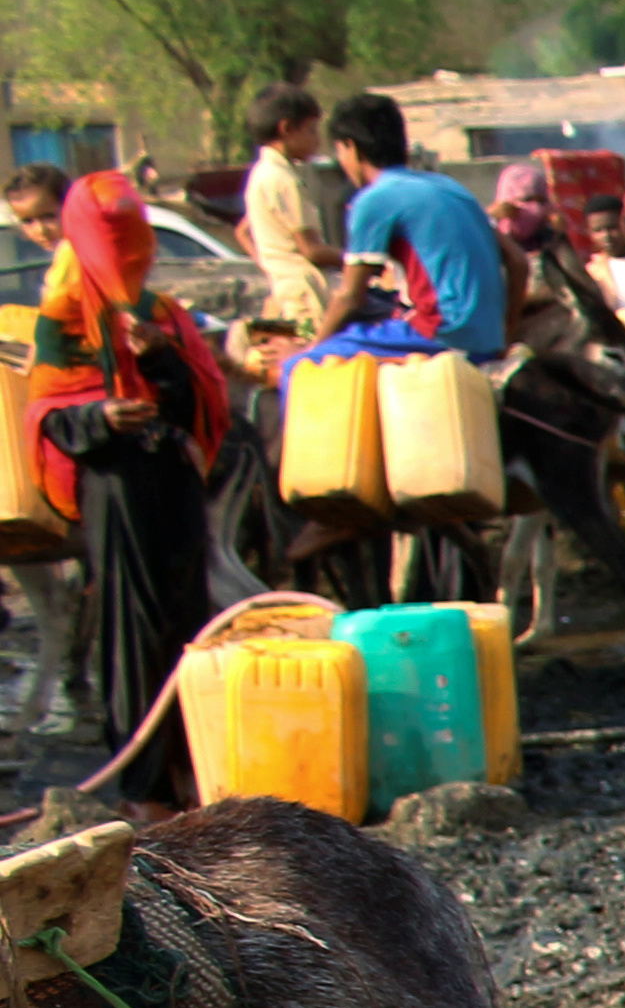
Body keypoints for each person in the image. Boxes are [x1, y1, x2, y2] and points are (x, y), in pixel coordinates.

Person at [20, 171, 234, 798]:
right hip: (115, 486)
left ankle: (193, 767)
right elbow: (48, 415)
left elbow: (203, 400)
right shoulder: (61, 317)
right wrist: (102, 416)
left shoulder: (162, 311)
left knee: (186, 617)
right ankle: (143, 786)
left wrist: (163, 357)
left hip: (173, 477)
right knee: (130, 628)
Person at [484, 158, 625, 659]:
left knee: (578, 517)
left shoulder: (550, 257)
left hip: (530, 377)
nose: (532, 213)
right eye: (524, 203)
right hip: (514, 356)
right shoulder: (492, 244)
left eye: (540, 202)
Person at [314, 96, 510, 365]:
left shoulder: (375, 199)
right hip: (487, 339)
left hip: (441, 333)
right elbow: (518, 261)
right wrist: (503, 337)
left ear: (351, 146)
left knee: (297, 366)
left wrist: (308, 350)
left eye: (340, 151)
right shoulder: (451, 187)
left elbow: (350, 297)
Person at [237, 84, 346, 339]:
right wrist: (357, 262)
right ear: (286, 129)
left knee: (281, 356)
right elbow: (311, 249)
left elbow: (243, 232)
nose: (317, 140)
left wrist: (272, 265)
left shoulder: (260, 174)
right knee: (312, 359)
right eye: (311, 130)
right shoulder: (284, 179)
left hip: (283, 288)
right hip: (304, 294)